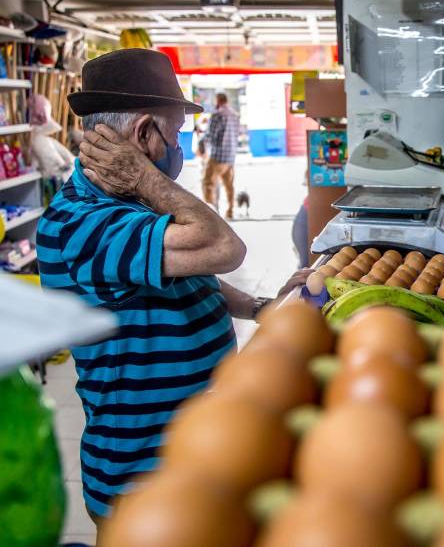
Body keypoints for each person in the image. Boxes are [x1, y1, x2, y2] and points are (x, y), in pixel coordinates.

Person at [36, 49, 308, 535]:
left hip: (182, 454)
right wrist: (145, 176)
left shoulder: (128, 204)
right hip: (141, 475)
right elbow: (223, 246)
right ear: (144, 133)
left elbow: (182, 269)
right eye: (176, 132)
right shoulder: (85, 222)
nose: (180, 145)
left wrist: (255, 306)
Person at [202, 92, 240, 219]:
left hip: (217, 157)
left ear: (218, 101)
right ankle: (230, 211)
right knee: (229, 186)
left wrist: (201, 141)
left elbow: (210, 135)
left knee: (208, 184)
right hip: (230, 158)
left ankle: (210, 215)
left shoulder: (217, 115)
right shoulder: (235, 115)